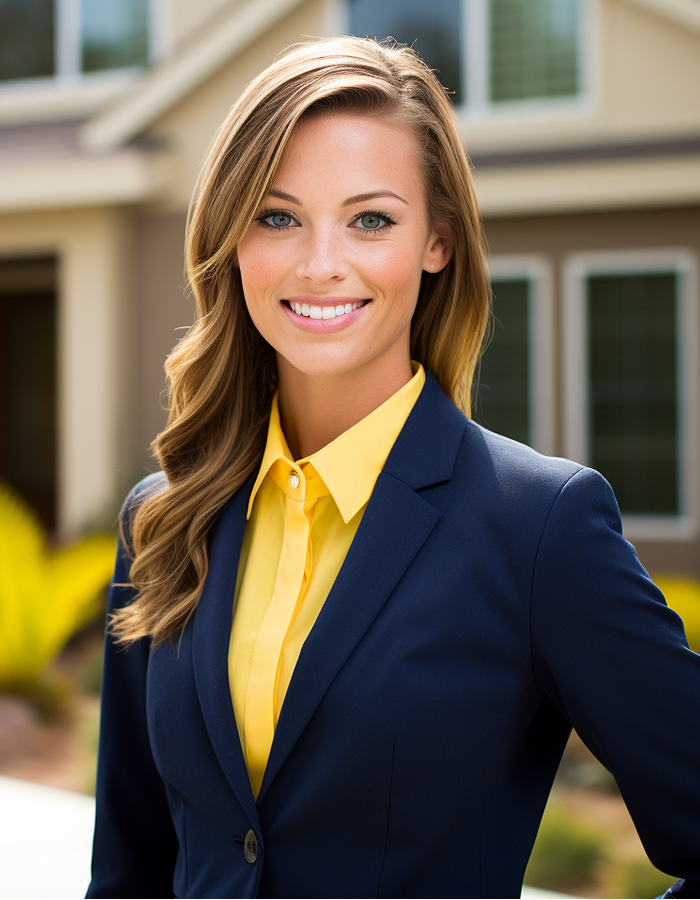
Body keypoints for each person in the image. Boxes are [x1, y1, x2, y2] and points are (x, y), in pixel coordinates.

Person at [86, 37, 700, 900]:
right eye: (277, 217)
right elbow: (129, 868)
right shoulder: (163, 517)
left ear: (436, 242)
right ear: (231, 238)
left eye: (370, 220)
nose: (320, 264)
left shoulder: (538, 528)